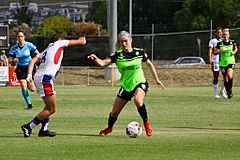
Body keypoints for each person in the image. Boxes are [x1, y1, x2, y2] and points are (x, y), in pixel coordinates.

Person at [88, 30, 164, 137]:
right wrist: (96, 59)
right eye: (121, 42)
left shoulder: (140, 53)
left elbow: (150, 64)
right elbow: (103, 63)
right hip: (126, 86)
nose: (124, 44)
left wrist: (157, 79)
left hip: (139, 83)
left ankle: (146, 123)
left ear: (130, 40)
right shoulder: (117, 55)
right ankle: (109, 128)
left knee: (138, 100)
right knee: (114, 112)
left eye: (125, 41)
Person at [21, 34, 86, 138]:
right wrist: (82, 37)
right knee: (51, 109)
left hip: (42, 77)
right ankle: (29, 126)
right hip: (45, 78)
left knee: (48, 107)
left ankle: (43, 129)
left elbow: (32, 61)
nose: (64, 40)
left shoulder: (47, 49)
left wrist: (29, 76)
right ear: (58, 39)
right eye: (63, 39)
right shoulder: (59, 43)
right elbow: (81, 42)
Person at [8, 31, 39, 109]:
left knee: (32, 89)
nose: (20, 38)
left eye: (21, 36)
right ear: (17, 38)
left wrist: (36, 61)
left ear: (24, 37)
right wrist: (13, 60)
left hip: (30, 67)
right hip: (20, 68)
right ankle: (29, 105)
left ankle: (31, 85)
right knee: (22, 84)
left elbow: (38, 54)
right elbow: (10, 59)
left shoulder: (29, 45)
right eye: (18, 36)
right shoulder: (14, 48)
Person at [215, 28, 238, 99]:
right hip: (222, 63)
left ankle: (230, 90)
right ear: (222, 36)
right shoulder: (219, 43)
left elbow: (236, 48)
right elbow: (214, 52)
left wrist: (234, 52)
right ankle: (228, 92)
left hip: (231, 61)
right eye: (224, 34)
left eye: (227, 34)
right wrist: (219, 51)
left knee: (230, 75)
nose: (225, 36)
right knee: (225, 78)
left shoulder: (232, 42)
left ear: (229, 35)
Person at [208, 27, 227, 99]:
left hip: (223, 61)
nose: (219, 34)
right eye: (218, 32)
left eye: (220, 32)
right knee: (216, 77)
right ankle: (215, 94)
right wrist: (210, 58)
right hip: (215, 61)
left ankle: (222, 91)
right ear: (215, 33)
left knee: (226, 77)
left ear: (222, 33)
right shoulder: (213, 41)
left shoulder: (224, 40)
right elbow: (210, 50)